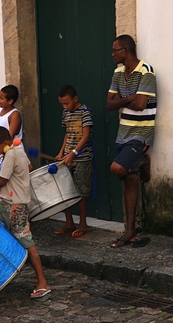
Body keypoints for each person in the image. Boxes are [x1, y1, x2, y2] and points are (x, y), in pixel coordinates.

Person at [0, 126, 51, 299]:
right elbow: (28, 168)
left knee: (25, 241)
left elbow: (3, 179)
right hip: (15, 203)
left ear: (6, 143)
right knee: (5, 239)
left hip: (12, 206)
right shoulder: (19, 150)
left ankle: (42, 282)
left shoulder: (10, 155)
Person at [106, 34, 156, 248]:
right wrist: (128, 98)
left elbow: (141, 104)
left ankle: (144, 160)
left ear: (126, 50)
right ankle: (130, 231)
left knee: (118, 168)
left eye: (115, 50)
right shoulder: (118, 72)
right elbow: (109, 104)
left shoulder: (146, 71)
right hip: (123, 133)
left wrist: (122, 101)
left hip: (141, 133)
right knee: (130, 180)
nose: (112, 54)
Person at [54, 85, 93, 238]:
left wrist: (74, 153)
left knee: (80, 192)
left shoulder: (85, 112)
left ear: (75, 99)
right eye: (62, 104)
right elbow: (67, 133)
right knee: (65, 191)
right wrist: (61, 152)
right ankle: (69, 222)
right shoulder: (65, 113)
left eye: (67, 103)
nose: (65, 106)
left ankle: (83, 224)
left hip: (82, 158)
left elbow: (85, 136)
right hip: (67, 157)